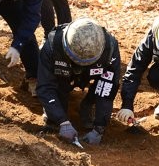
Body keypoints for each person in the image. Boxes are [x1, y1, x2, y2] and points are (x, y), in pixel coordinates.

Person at [36, 17, 121, 146]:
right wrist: (61, 120)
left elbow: (107, 87)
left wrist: (99, 128)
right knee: (59, 92)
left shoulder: (110, 49)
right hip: (63, 74)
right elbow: (45, 86)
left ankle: (87, 105)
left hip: (93, 73)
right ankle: (56, 117)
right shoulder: (52, 45)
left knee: (102, 86)